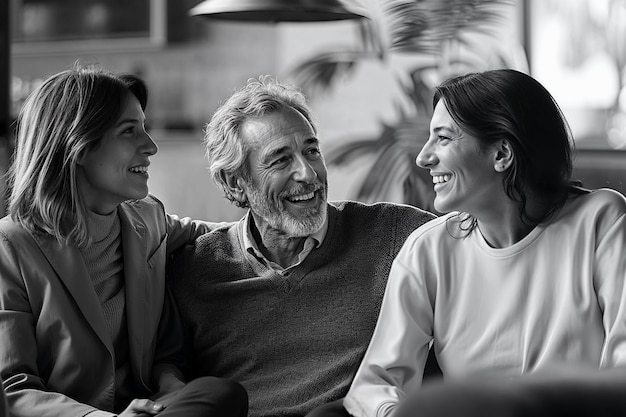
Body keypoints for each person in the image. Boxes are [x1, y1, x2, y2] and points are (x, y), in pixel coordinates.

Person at [341, 68, 626, 417]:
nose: (423, 157)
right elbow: (374, 384)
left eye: (443, 138)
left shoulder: (602, 221)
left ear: (502, 153)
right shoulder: (428, 250)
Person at [168, 76, 435, 417]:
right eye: (280, 160)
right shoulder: (194, 268)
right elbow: (167, 374)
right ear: (236, 184)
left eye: (311, 151)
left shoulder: (396, 235)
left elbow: (486, 239)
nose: (308, 173)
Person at [0, 65, 247, 417]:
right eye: (130, 131)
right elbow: (13, 387)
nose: (151, 146)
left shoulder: (147, 220)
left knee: (218, 393)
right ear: (79, 147)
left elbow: (224, 237)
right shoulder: (10, 248)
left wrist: (170, 382)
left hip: (155, 410)